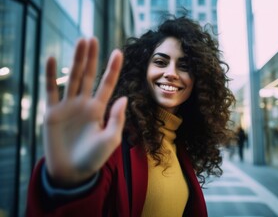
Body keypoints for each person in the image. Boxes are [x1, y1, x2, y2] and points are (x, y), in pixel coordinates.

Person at [25, 15, 235, 216]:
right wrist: (68, 186)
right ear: (142, 71)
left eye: (184, 66)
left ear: (198, 81)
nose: (171, 72)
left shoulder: (178, 143)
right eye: (161, 62)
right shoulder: (110, 139)